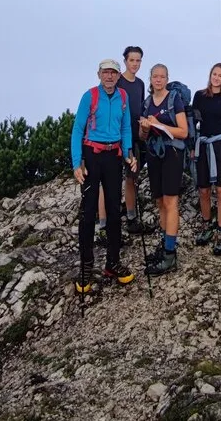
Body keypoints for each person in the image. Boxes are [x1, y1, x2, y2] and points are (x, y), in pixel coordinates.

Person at [71, 58, 137, 293]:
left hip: (114, 155)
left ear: (118, 76)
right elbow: (78, 128)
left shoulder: (123, 97)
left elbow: (126, 127)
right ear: (98, 74)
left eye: (113, 73)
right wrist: (77, 162)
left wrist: (128, 152)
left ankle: (112, 262)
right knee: (88, 212)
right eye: (105, 72)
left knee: (113, 210)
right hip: (92, 155)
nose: (109, 76)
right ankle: (87, 266)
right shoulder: (90, 96)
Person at [139, 63, 188, 275]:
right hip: (154, 154)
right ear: (150, 79)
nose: (158, 80)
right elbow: (143, 137)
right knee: (159, 201)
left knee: (171, 201)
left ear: (167, 79)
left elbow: (184, 131)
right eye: (155, 76)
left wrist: (160, 125)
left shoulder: (174, 100)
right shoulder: (147, 103)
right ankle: (164, 243)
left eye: (162, 76)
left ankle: (170, 254)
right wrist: (144, 129)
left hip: (172, 154)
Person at [97, 46, 148, 240]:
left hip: (133, 137)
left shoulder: (140, 84)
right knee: (108, 179)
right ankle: (103, 221)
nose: (135, 64)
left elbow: (140, 109)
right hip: (113, 138)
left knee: (131, 177)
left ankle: (131, 216)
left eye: (138, 60)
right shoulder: (119, 82)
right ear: (125, 61)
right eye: (132, 60)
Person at [191, 63, 221, 256]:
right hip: (202, 144)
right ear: (210, 75)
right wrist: (191, 146)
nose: (216, 78)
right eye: (214, 74)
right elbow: (192, 121)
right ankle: (206, 225)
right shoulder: (199, 96)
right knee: (203, 189)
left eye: (220, 75)